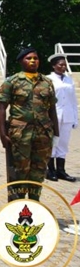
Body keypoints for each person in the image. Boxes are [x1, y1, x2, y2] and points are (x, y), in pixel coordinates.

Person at [0, 48, 59, 201]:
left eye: (35, 58)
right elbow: (1, 109)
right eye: (29, 58)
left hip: (43, 133)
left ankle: (34, 203)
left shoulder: (47, 82)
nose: (33, 61)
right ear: (21, 61)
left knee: (39, 170)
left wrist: (56, 133)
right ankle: (17, 204)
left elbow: (52, 109)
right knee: (20, 170)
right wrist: (2, 134)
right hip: (20, 134)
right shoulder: (11, 82)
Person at [47, 54, 77, 182]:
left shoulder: (69, 80)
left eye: (64, 64)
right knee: (53, 142)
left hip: (67, 115)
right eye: (60, 64)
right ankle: (51, 170)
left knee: (63, 143)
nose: (63, 67)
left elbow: (73, 100)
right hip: (54, 116)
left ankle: (61, 170)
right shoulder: (48, 79)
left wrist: (76, 118)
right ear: (54, 66)